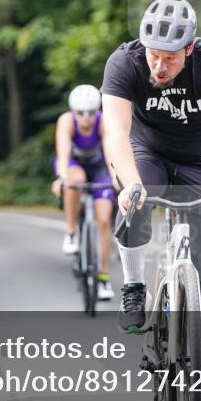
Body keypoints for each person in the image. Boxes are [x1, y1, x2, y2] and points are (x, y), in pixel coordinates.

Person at [101, 0, 201, 401]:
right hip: (146, 153)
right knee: (134, 198)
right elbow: (116, 132)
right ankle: (133, 287)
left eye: (169, 58)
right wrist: (130, 184)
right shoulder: (124, 63)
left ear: (190, 49)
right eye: (153, 55)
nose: (158, 68)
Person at [50, 85, 117, 300]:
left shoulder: (103, 120)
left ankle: (104, 279)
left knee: (104, 219)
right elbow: (63, 152)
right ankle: (71, 232)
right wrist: (61, 177)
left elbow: (109, 151)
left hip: (99, 169)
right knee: (74, 179)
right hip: (73, 165)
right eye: (80, 113)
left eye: (90, 112)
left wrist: (116, 178)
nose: (86, 118)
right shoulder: (66, 121)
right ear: (73, 111)